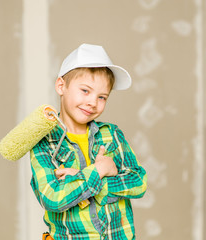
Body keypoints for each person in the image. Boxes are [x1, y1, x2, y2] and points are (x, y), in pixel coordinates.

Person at [30, 43, 147, 240]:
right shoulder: (44, 142)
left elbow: (139, 182)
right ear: (61, 86)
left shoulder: (111, 135)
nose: (93, 102)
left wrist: (84, 181)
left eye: (102, 97)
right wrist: (99, 171)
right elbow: (54, 197)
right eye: (85, 90)